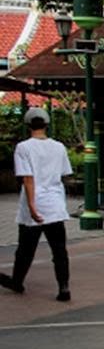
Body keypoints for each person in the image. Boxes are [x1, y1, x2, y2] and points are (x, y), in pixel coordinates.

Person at [0, 107, 74, 301]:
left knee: (25, 249)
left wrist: (33, 207)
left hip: (34, 205)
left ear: (28, 126)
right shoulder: (59, 147)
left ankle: (17, 281)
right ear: (47, 124)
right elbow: (64, 174)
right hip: (55, 205)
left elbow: (28, 179)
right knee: (59, 249)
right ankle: (64, 287)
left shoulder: (24, 147)